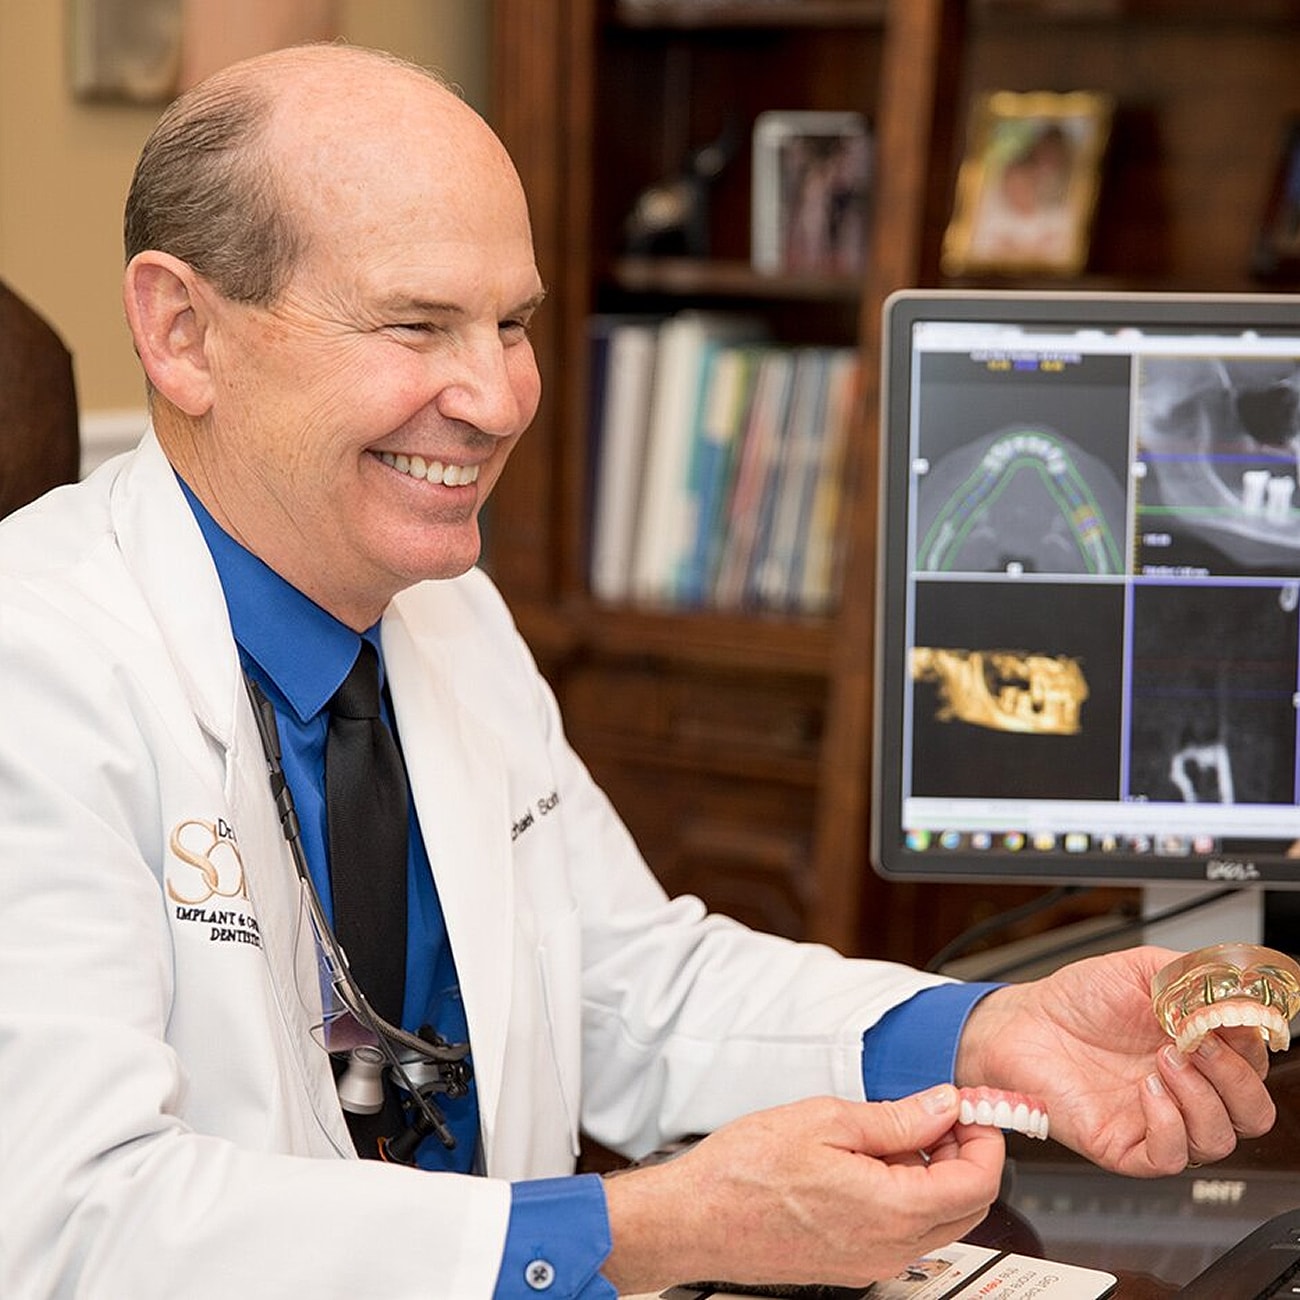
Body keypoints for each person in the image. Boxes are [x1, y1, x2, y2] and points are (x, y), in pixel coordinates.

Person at [0, 43, 1276, 1300]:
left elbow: (624, 984)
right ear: (182, 332)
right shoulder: (39, 661)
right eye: (415, 323)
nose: (499, 398)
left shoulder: (446, 617)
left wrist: (991, 1028)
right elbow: (73, 1224)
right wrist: (644, 1229)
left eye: (512, 324)